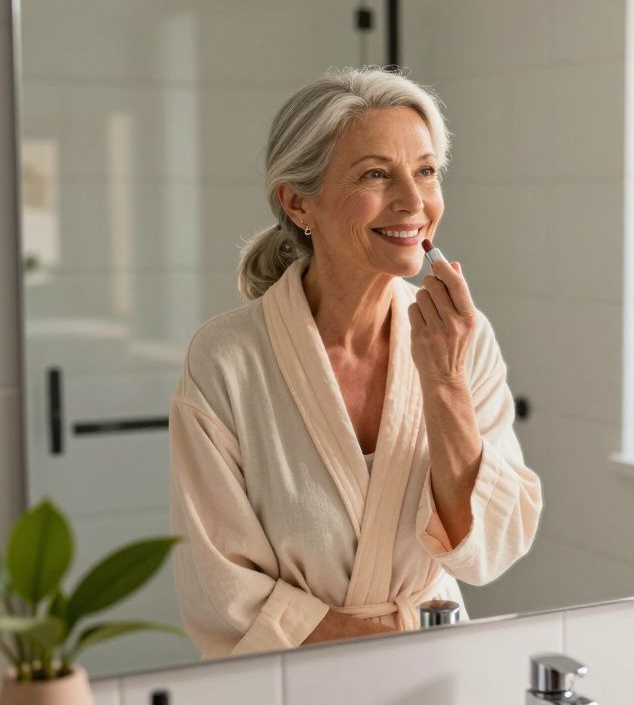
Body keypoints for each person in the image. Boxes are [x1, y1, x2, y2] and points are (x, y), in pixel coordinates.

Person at [169, 68, 542, 657]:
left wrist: (444, 381)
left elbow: (492, 547)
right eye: (376, 174)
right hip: (296, 678)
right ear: (298, 203)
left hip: (435, 667)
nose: (414, 202)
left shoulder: (462, 338)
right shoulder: (227, 360)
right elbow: (221, 585)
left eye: (425, 171)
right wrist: (380, 642)